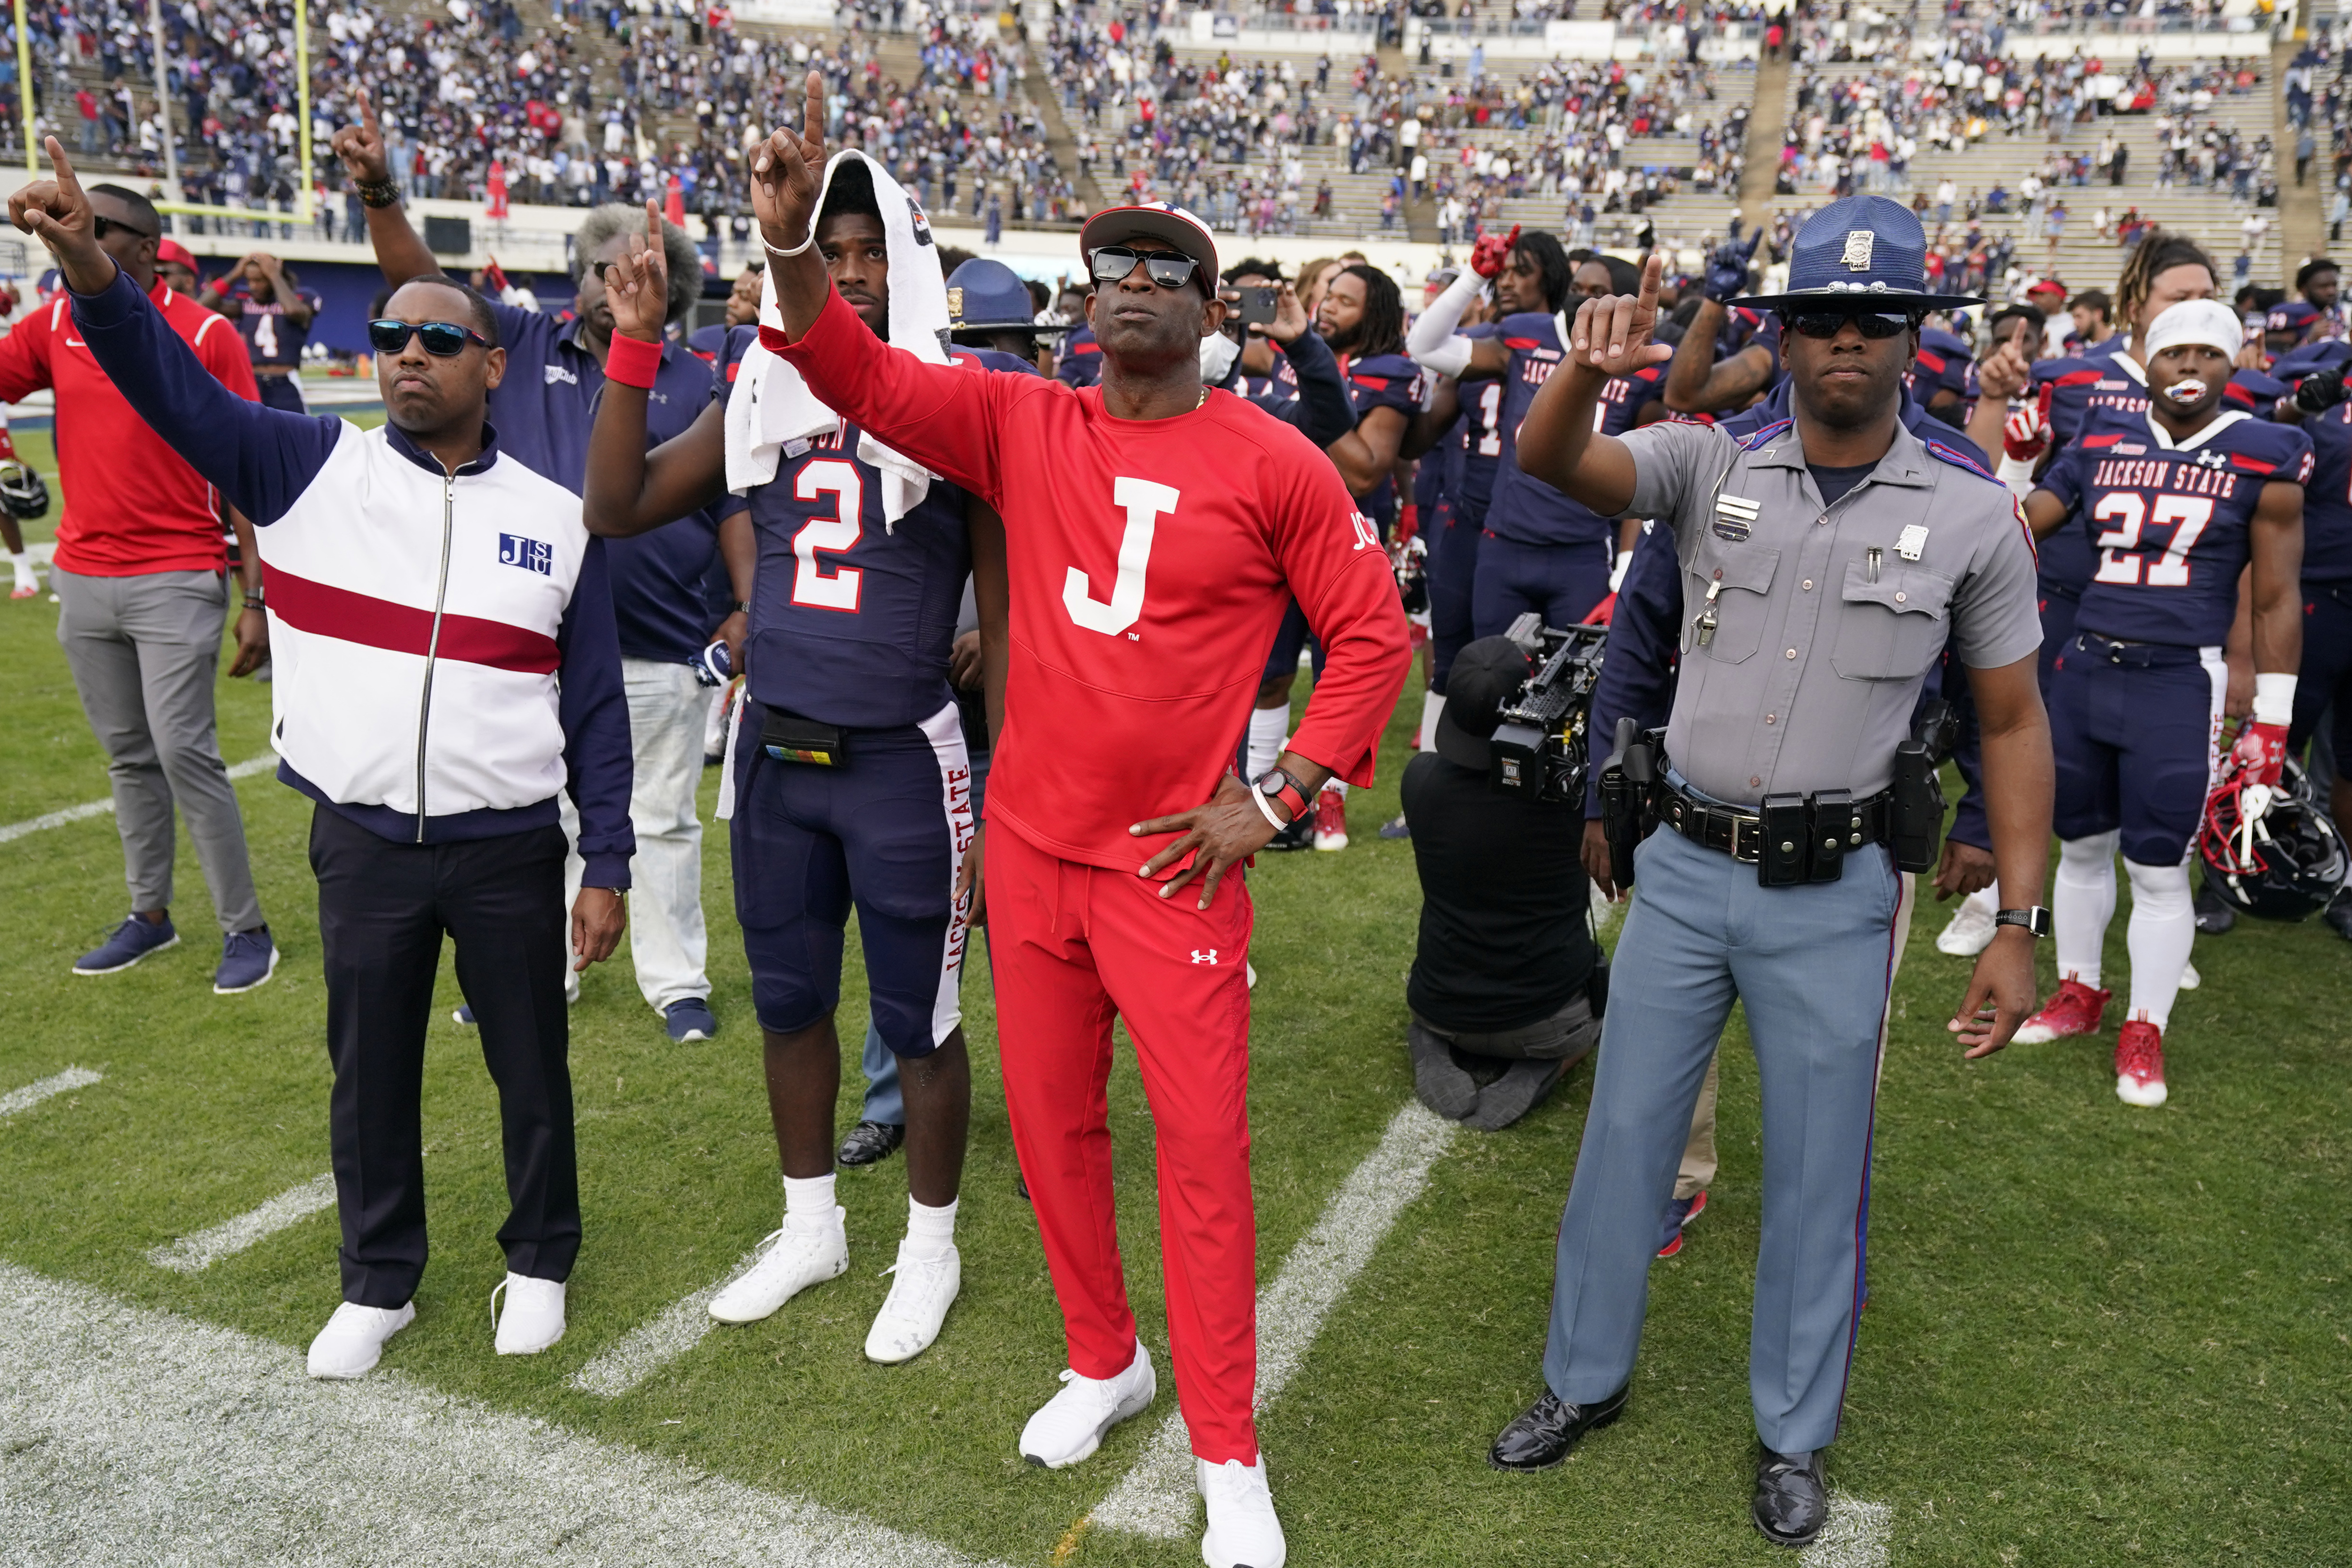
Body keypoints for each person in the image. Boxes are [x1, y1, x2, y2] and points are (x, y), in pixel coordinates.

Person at [747, 77, 1411, 1568]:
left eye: (1158, 270)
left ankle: (1226, 1451)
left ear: (1206, 307)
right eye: (1105, 267)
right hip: (1033, 851)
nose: (1125, 288)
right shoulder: (1020, 420)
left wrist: (1285, 792)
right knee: (1048, 1132)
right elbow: (851, 372)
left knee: (1200, 1154)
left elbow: (1370, 638)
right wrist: (792, 248)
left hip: (1170, 869)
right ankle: (1103, 1357)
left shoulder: (1271, 459)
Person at [10, 136, 634, 1378]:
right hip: (358, 840)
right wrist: (91, 271)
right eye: (392, 335)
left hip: (509, 841)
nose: (407, 351)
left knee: (529, 1063)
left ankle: (539, 1257)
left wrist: (604, 857)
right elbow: (166, 386)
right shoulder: (306, 466)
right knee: (369, 1070)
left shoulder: (558, 517)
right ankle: (377, 1279)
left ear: (491, 366)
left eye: (438, 338)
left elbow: (596, 704)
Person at [1489, 198, 2053, 1548]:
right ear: (1780, 335)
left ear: (1914, 336)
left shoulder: (1975, 514)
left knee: (1815, 1173)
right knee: (1622, 1140)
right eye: (1816, 319)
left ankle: (1791, 1429)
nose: (1843, 341)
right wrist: (1584, 362)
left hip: (1835, 884)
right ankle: (1580, 1379)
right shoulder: (1706, 462)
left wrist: (2015, 919)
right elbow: (1551, 457)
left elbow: (2012, 718)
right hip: (1682, 864)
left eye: (1873, 319)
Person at [583, 154, 1005, 1366]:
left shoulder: (956, 388)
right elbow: (616, 505)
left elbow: (1006, 603)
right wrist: (635, 346)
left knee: (921, 1021)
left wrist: (1011, 755)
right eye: (836, 250)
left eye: (873, 252)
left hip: (903, 759)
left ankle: (930, 1244)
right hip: (775, 750)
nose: (854, 273)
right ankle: (810, 1223)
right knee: (787, 1003)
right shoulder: (762, 380)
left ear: (909, 261)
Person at [335, 91, 731, 1045]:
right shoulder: (519, 338)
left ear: (667, 284)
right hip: (528, 628)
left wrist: (743, 607)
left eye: (633, 267)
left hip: (662, 631)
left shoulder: (696, 375)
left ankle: (675, 979)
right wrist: (383, 193)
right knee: (531, 813)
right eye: (599, 265)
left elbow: (734, 504)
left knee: (664, 816)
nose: (610, 281)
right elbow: (420, 286)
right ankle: (539, 966)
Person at [2013, 300, 2309, 1106]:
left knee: (2156, 862)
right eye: (2173, 352)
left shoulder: (2266, 450)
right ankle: (2077, 989)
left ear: (2231, 366)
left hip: (2178, 678)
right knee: (2075, 844)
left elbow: (2277, 597)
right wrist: (2011, 462)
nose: (2188, 368)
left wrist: (2271, 724)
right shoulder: (2099, 439)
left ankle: (2145, 1023)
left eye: (2205, 355)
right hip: (2085, 665)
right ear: (2145, 359)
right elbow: (2018, 526)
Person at [0, 177, 278, 992]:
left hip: (178, 574)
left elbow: (249, 472)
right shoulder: (54, 319)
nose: (71, 236)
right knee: (128, 756)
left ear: (145, 245)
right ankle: (149, 914)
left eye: (98, 225)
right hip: (83, 575)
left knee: (185, 751)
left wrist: (255, 595)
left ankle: (245, 925)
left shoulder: (209, 330)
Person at [1244, 259, 1417, 852]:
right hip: (1279, 530)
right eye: (1328, 296)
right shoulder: (1289, 356)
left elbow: (1367, 469)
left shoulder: (1392, 371)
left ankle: (1330, 803)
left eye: (1345, 299)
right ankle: (1258, 790)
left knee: (1336, 674)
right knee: (1269, 672)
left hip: (1348, 536)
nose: (1329, 306)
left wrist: (1312, 421)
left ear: (1376, 313)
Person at [1401, 634, 1603, 1132]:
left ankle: (1430, 1042)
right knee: (1609, 991)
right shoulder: (1573, 803)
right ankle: (1544, 1064)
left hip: (1439, 1001)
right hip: (1547, 1019)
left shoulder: (1419, 779)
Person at [199, 252, 319, 413]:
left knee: (299, 434)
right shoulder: (245, 300)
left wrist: (275, 276)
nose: (253, 286)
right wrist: (234, 275)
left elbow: (294, 311)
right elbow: (202, 306)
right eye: (249, 280)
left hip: (285, 382)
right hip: (251, 380)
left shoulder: (301, 297)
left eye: (259, 280)